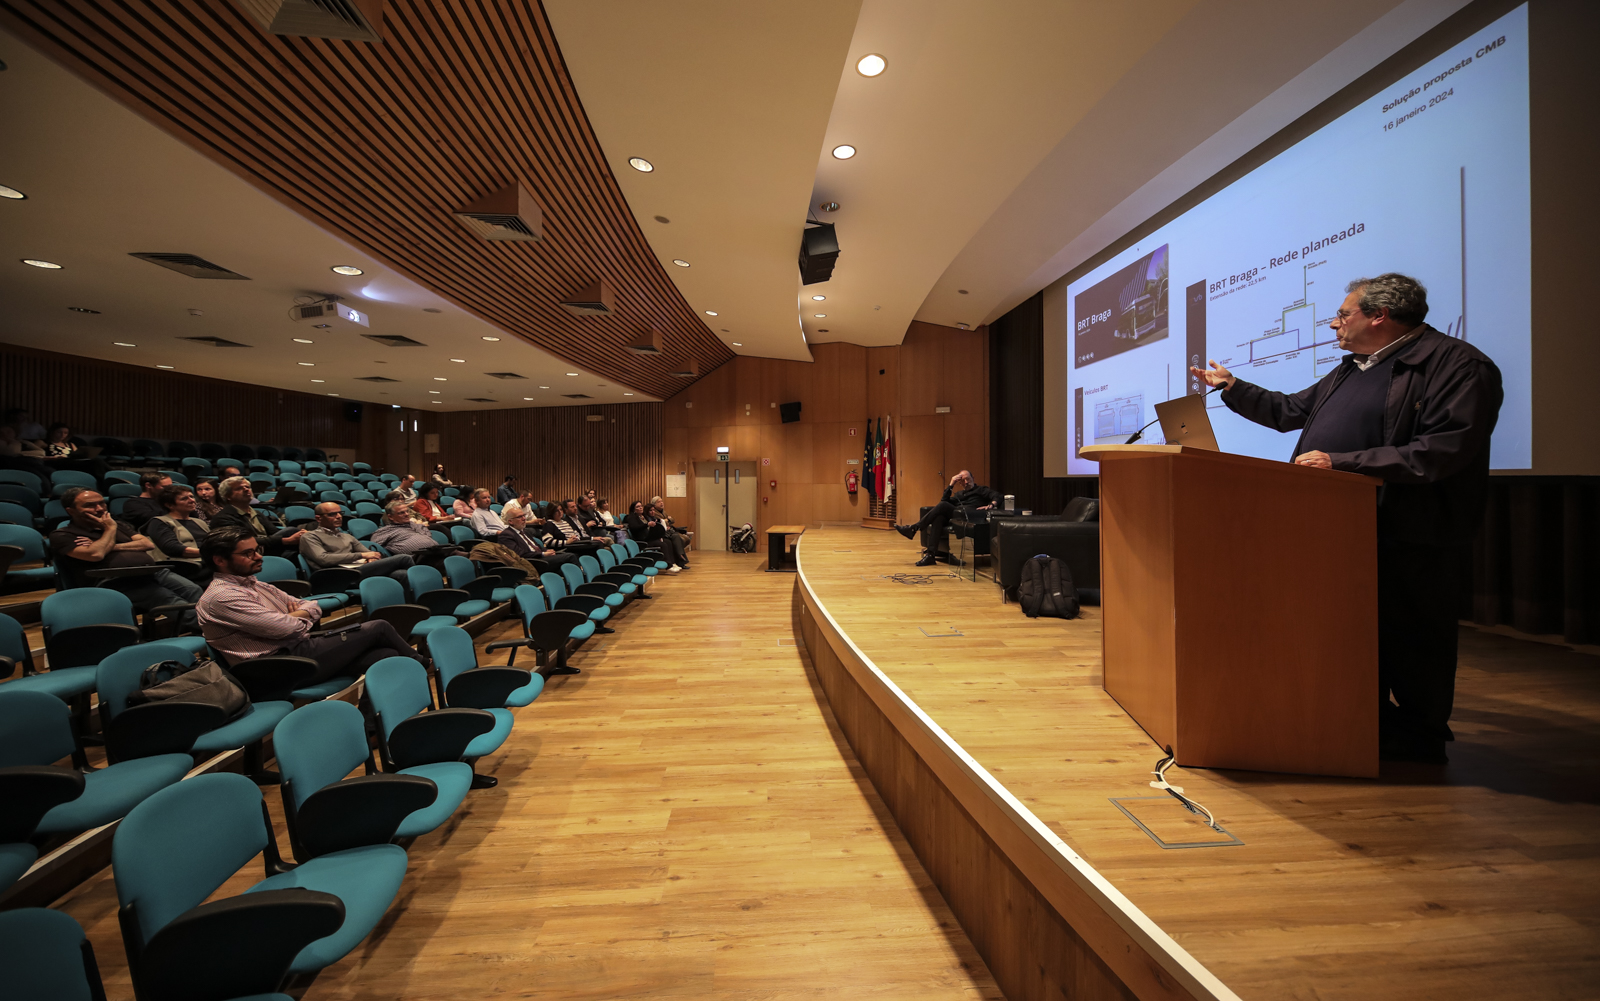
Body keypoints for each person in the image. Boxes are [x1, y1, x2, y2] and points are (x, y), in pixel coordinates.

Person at [1190, 272, 1502, 764]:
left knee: (1415, 637)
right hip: (1340, 528)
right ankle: (1362, 720)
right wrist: (1232, 387)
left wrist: (1345, 462)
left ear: (1378, 316)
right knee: (1354, 634)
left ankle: (1421, 738)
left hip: (1412, 531)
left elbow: (1443, 449)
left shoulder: (1458, 365)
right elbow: (1291, 411)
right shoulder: (1351, 369)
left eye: (1342, 314)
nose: (1334, 323)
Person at [197, 526, 425, 685]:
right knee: (378, 627)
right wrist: (296, 616)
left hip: (297, 651)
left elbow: (311, 605)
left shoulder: (255, 584)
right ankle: (424, 666)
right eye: (248, 553)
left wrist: (296, 614)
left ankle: (371, 730)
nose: (258, 556)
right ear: (219, 560)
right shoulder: (222, 596)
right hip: (275, 667)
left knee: (384, 655)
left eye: (257, 550)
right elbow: (289, 627)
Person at [49, 486, 202, 628]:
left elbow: (146, 544)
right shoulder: (64, 534)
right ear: (71, 510)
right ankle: (214, 630)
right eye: (90, 505)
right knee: (166, 598)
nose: (99, 509)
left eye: (102, 503)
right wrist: (109, 529)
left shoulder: (118, 525)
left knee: (193, 590)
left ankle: (207, 630)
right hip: (115, 580)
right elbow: (95, 554)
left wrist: (106, 545)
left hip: (152, 572)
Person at [894, 470, 1000, 567]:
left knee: (944, 505)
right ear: (960, 483)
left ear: (973, 478)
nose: (966, 482)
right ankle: (931, 555)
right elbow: (944, 500)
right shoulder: (959, 494)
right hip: (957, 516)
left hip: (971, 516)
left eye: (968, 479)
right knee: (938, 517)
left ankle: (914, 528)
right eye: (963, 481)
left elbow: (998, 496)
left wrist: (991, 505)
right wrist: (951, 483)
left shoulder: (981, 490)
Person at [300, 502, 414, 582]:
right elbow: (323, 559)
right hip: (336, 575)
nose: (339, 517)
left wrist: (371, 558)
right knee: (404, 558)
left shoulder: (345, 536)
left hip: (358, 569)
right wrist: (361, 555)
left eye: (340, 513)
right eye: (332, 514)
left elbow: (369, 553)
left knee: (401, 575)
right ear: (318, 518)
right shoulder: (310, 536)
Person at [208, 475, 305, 556]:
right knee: (292, 531)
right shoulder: (223, 517)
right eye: (239, 488)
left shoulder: (256, 513)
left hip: (268, 548)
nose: (246, 489)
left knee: (299, 547)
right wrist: (286, 541)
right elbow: (242, 541)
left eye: (248, 487)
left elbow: (273, 532)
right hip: (248, 553)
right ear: (227, 496)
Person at [147, 483, 211, 582]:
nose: (191, 500)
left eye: (191, 497)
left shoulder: (199, 522)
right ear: (169, 505)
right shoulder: (159, 522)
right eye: (184, 499)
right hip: (184, 567)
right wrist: (209, 553)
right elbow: (172, 548)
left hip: (207, 563)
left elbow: (213, 542)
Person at [371, 499, 453, 564]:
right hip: (418, 559)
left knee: (459, 554)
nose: (406, 514)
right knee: (455, 563)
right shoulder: (384, 531)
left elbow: (427, 536)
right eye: (401, 513)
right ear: (390, 517)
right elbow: (373, 547)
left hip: (436, 552)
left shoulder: (417, 525)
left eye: (407, 511)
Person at [496, 507, 576, 569]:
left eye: (524, 516)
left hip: (539, 558)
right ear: (510, 521)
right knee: (570, 556)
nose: (524, 519)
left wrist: (546, 550)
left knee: (563, 569)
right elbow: (519, 554)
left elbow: (537, 546)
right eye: (520, 517)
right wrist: (543, 554)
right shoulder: (506, 535)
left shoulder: (525, 531)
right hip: (532, 562)